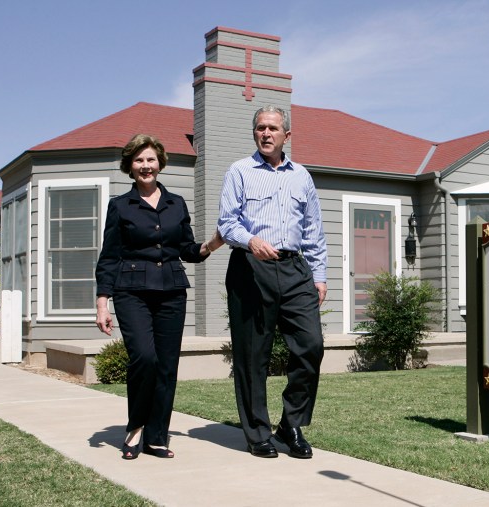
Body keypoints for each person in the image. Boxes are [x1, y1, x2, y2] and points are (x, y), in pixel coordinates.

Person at [95, 133, 224, 460]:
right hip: (131, 292)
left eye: (150, 159)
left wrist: (211, 244)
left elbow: (186, 249)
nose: (145, 166)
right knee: (145, 358)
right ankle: (135, 427)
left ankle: (156, 437)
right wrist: (102, 302)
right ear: (130, 166)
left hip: (171, 292)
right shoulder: (120, 206)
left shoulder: (176, 203)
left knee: (166, 366)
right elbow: (109, 256)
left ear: (159, 163)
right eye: (139, 160)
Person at [218, 105, 327, 459]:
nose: (266, 133)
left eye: (273, 128)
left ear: (286, 136)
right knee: (253, 356)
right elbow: (227, 223)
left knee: (311, 345)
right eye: (261, 128)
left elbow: (313, 231)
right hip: (251, 267)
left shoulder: (302, 177)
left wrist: (319, 276)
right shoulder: (240, 171)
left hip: (296, 269)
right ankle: (257, 432)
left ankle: (290, 424)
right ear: (255, 133)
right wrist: (250, 240)